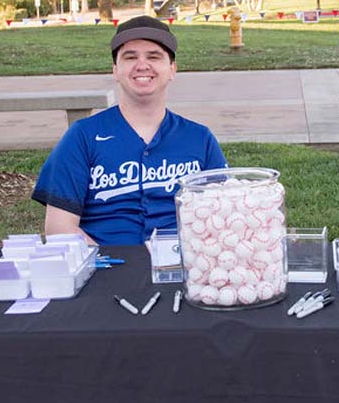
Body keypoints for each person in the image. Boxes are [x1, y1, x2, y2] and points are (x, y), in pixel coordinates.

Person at [33, 16, 226, 245]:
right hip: (104, 269)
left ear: (172, 69)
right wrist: (115, 267)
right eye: (130, 57)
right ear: (116, 70)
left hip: (184, 267)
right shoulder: (83, 136)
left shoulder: (199, 139)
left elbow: (223, 218)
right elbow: (60, 228)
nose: (142, 65)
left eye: (154, 56)